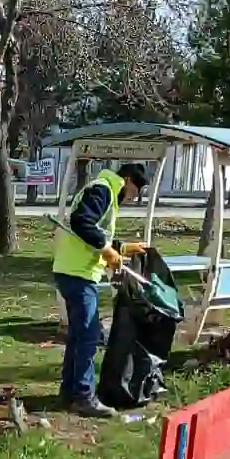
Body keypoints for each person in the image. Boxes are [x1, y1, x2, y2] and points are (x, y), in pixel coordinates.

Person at [52, 162, 148, 418]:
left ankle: (69, 392)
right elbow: (81, 222)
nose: (134, 196)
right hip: (78, 273)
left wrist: (122, 248)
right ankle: (84, 396)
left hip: (73, 270)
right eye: (135, 190)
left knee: (78, 335)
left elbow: (97, 231)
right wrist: (106, 250)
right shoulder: (103, 190)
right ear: (127, 180)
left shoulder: (105, 191)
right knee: (89, 335)